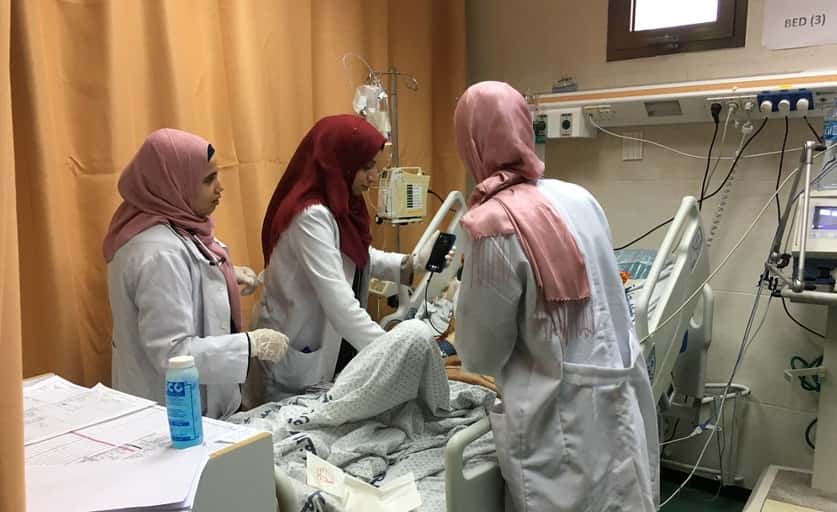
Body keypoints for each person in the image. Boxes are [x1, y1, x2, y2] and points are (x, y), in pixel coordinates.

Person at [453, 82, 659, 511]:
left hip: (557, 423)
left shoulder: (491, 225)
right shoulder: (579, 197)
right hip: (615, 398)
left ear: (470, 142)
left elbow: (482, 354)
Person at [254, 114, 447, 401]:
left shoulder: (338, 203)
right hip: (295, 359)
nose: (374, 176)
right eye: (366, 166)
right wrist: (396, 352)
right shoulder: (310, 216)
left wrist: (410, 263)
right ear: (339, 162)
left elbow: (355, 254)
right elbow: (340, 304)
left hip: (327, 351)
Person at [105, 128, 289, 419]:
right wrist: (250, 344)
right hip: (170, 414)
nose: (220, 188)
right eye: (208, 180)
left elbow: (182, 282)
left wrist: (224, 275)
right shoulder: (159, 253)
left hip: (203, 406)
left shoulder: (178, 227)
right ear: (172, 183)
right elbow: (173, 354)